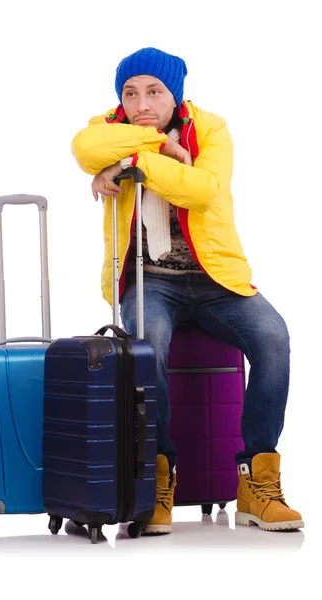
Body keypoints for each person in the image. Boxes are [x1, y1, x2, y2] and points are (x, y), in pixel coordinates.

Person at [71, 47, 303, 535]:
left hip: (215, 278)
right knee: (146, 346)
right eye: (130, 94)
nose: (141, 104)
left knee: (273, 338)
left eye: (154, 92)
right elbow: (85, 148)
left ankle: (256, 485)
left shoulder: (211, 128)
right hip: (149, 279)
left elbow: (202, 189)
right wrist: (159, 147)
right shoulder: (105, 127)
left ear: (175, 94)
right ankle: (156, 478)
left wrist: (137, 161)